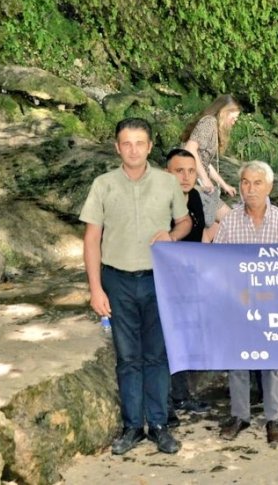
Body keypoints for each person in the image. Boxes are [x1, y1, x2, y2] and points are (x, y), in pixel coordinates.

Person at [80, 118, 191, 455]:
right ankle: (132, 427)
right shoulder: (103, 184)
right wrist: (96, 289)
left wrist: (171, 236)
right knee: (128, 357)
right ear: (117, 147)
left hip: (158, 278)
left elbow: (185, 222)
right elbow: (92, 238)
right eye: (126, 143)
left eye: (139, 143)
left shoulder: (167, 183)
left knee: (157, 355)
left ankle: (158, 425)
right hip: (117, 280)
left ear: (150, 146)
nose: (133, 149)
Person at [213, 161, 278, 446]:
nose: (250, 189)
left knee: (272, 362)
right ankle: (239, 416)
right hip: (238, 303)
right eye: (245, 183)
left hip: (272, 304)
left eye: (257, 183)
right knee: (237, 361)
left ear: (269, 187)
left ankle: (274, 418)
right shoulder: (229, 221)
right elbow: (215, 262)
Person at [163, 149, 212, 421]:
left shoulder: (193, 197)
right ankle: (165, 403)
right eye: (179, 170)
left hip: (189, 281)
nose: (186, 176)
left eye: (191, 171)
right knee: (165, 343)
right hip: (162, 281)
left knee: (183, 340)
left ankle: (181, 396)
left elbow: (199, 235)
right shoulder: (158, 202)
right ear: (166, 172)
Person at [181, 95, 241, 227]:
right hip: (192, 185)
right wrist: (205, 180)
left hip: (196, 184)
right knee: (233, 221)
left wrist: (224, 185)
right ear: (224, 112)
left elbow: (205, 163)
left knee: (217, 228)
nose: (234, 121)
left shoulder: (212, 125)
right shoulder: (209, 122)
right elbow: (190, 149)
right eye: (233, 118)